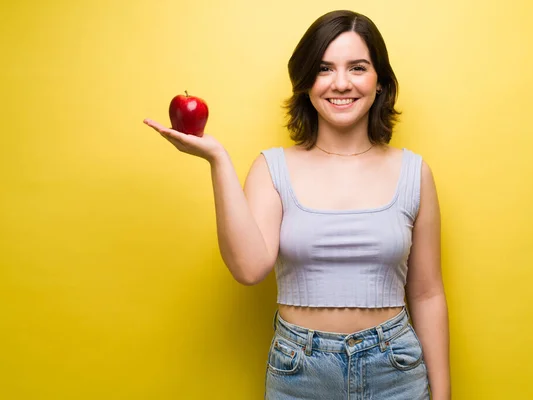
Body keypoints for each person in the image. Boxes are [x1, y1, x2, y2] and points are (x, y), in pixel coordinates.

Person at [144, 9, 450, 400]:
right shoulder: (272, 168)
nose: (341, 83)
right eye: (324, 69)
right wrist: (217, 159)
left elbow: (427, 294)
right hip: (299, 372)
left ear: (380, 82)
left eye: (357, 68)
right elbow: (250, 268)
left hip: (396, 371)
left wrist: (442, 395)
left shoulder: (414, 172)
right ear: (306, 82)